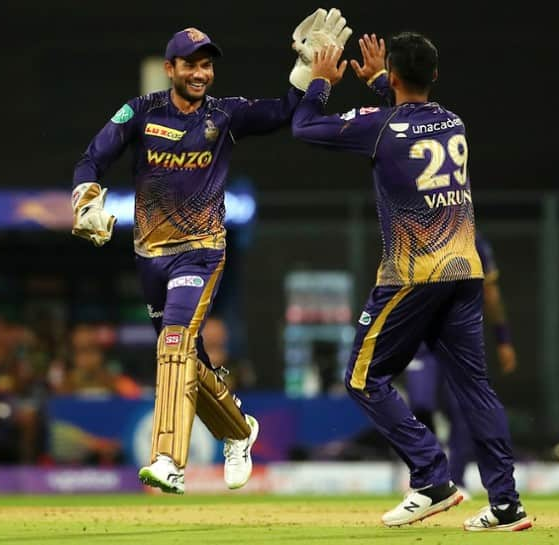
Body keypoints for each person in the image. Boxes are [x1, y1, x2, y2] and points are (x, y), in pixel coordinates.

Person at [70, 17, 351, 494]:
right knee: (189, 364)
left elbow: (285, 111)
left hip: (200, 253)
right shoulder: (138, 112)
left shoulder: (224, 116)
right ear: (170, 68)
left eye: (206, 65)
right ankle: (239, 431)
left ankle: (167, 459)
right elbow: (92, 158)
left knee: (174, 342)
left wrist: (308, 71)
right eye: (191, 65)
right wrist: (85, 196)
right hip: (150, 256)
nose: (200, 73)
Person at [291, 34, 531, 531]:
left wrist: (320, 82)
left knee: (362, 378)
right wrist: (383, 81)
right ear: (436, 76)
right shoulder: (454, 121)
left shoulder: (380, 128)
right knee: (475, 391)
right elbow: (409, 120)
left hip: (412, 274)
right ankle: (506, 504)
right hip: (464, 271)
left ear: (396, 77)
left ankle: (431, 478)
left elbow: (304, 128)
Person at [403, 233, 518, 499]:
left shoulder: (476, 242)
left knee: (463, 410)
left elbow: (490, 294)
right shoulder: (416, 236)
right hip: (421, 341)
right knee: (420, 404)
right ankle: (431, 475)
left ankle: (456, 479)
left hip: (459, 341)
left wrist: (503, 339)